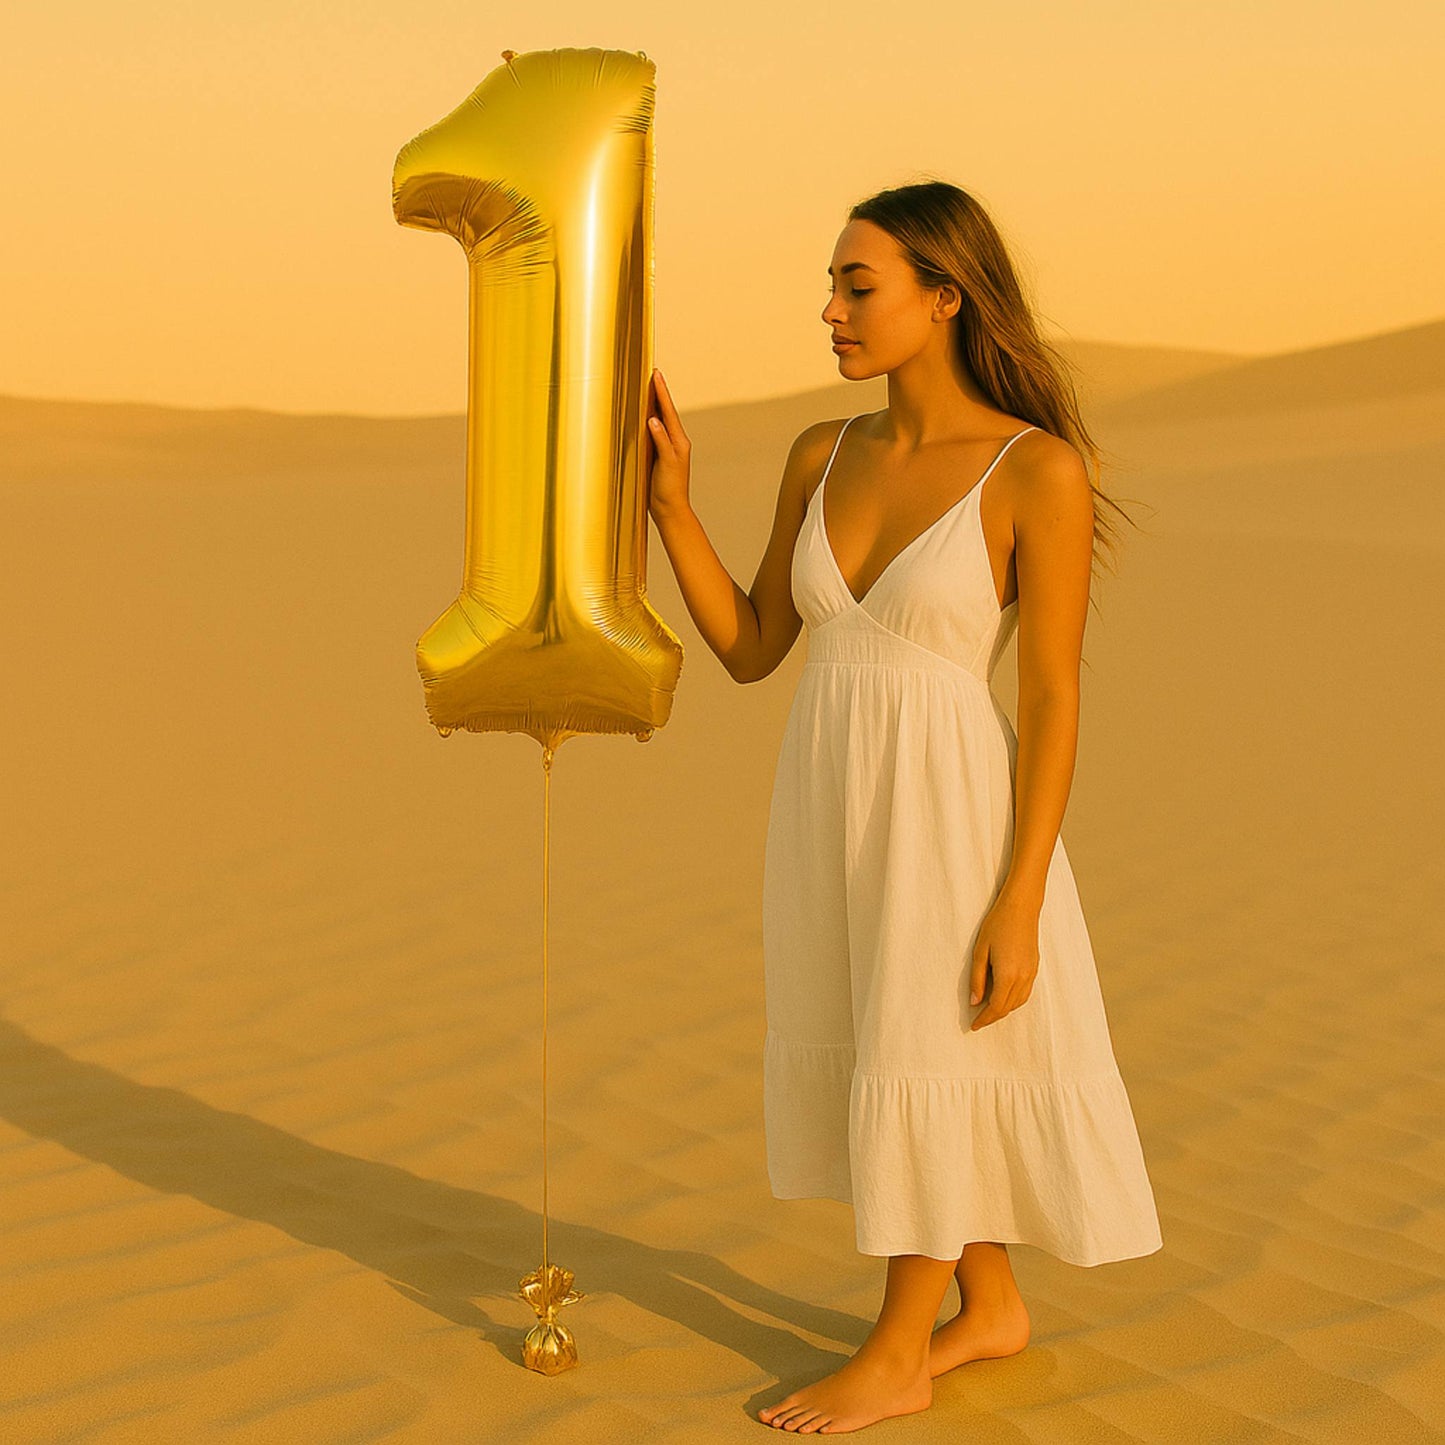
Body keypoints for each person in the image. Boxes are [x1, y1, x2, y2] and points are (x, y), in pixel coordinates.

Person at [644, 179, 1162, 1435]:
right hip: (832, 804)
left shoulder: (1035, 469)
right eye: (829, 286)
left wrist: (1020, 894)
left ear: (944, 296)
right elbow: (753, 645)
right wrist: (669, 507)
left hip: (952, 814)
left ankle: (894, 1350)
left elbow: (1051, 694)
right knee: (898, 1043)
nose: (829, 310)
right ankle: (989, 1304)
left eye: (855, 285)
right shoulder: (819, 454)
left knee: (925, 1048)